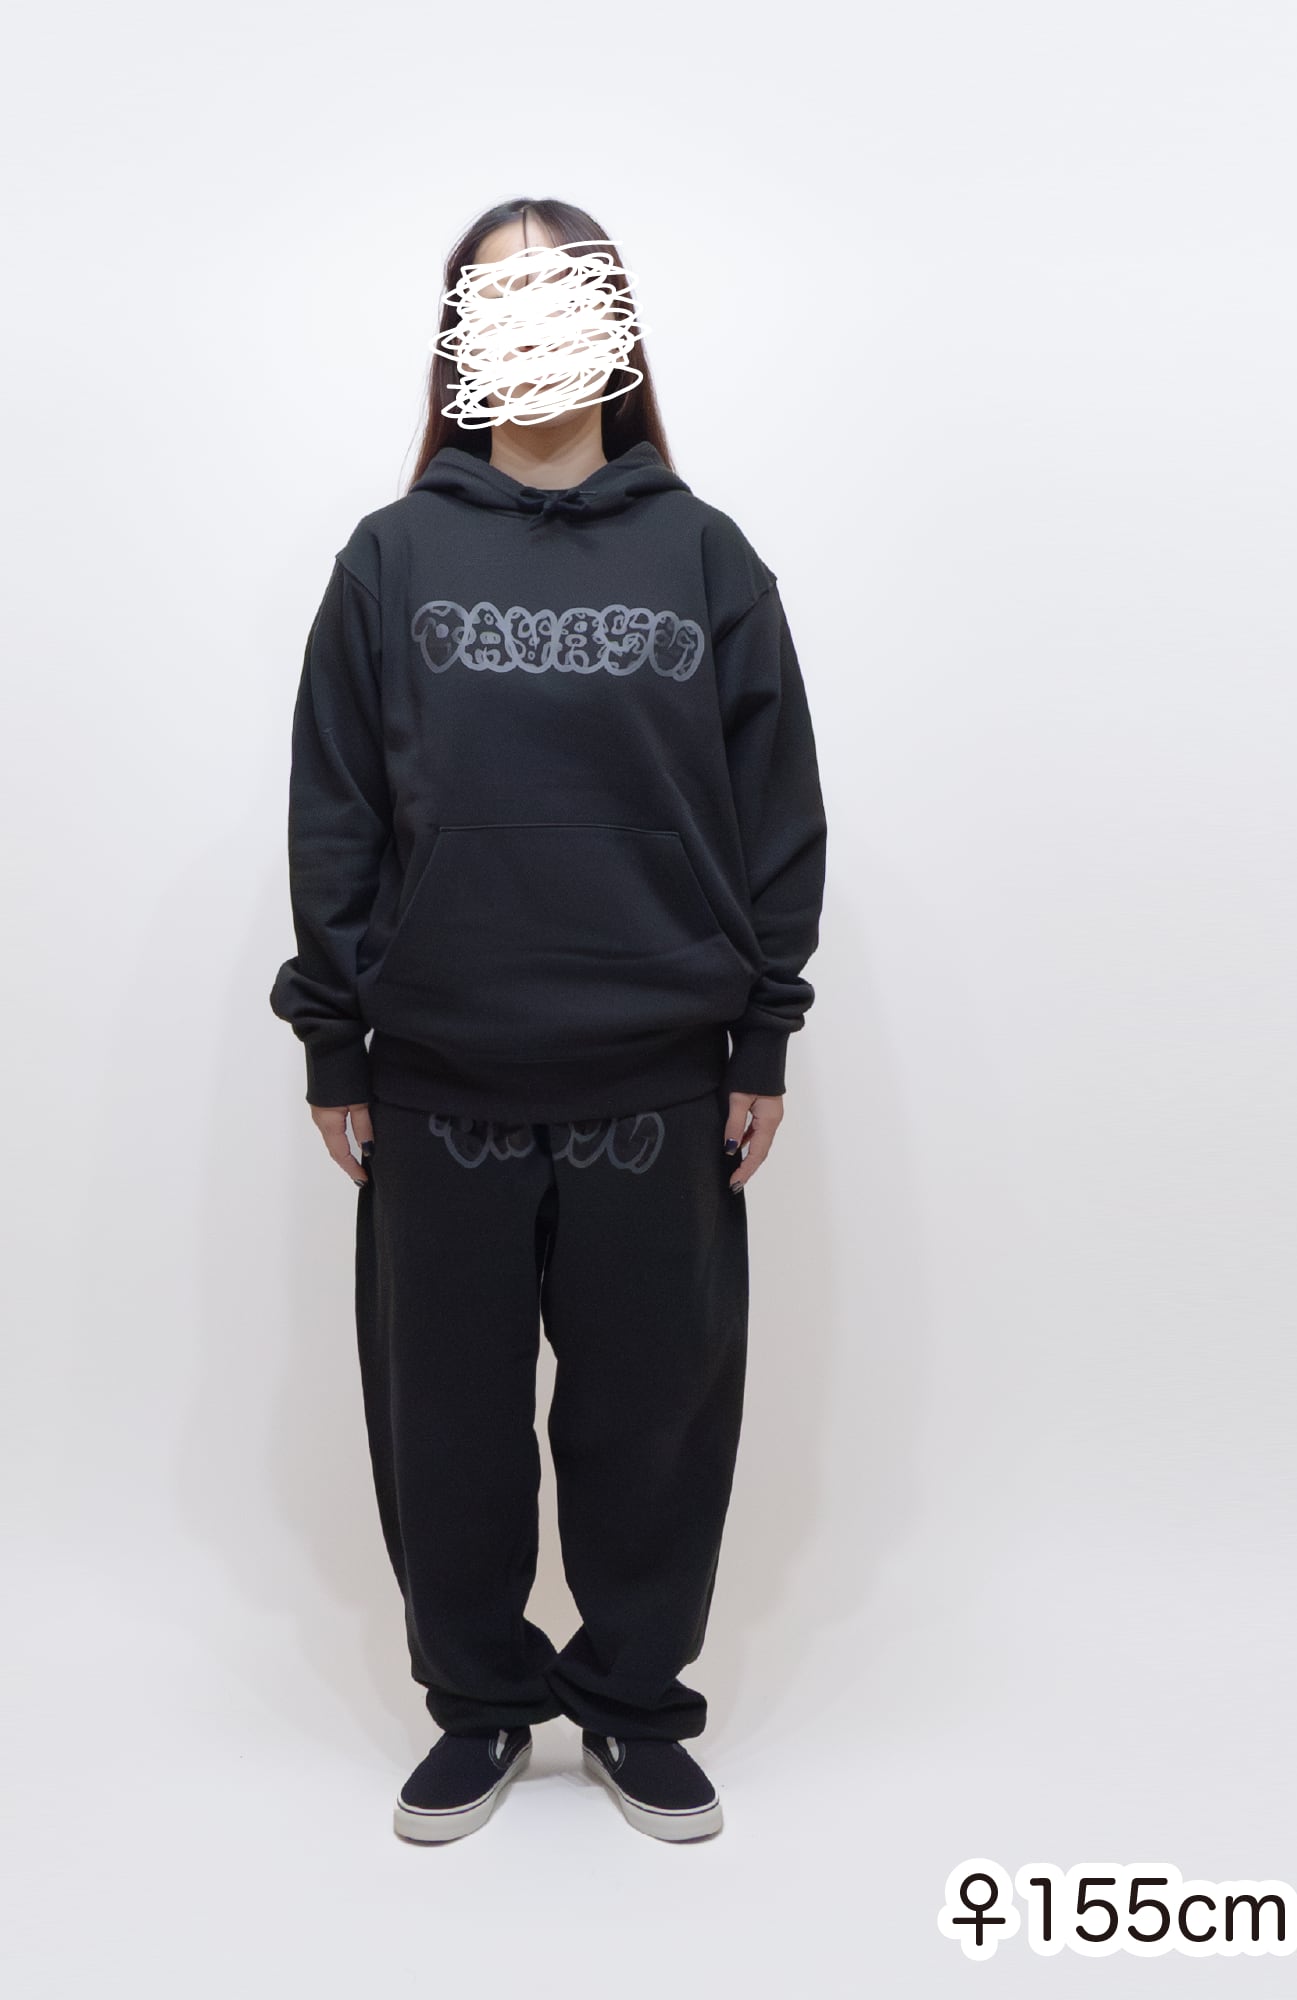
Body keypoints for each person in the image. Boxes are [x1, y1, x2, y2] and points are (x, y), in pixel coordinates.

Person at [268, 198, 827, 1843]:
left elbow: (776, 806)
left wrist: (762, 1031)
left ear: (616, 328)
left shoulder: (705, 556)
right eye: (494, 301)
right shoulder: (391, 561)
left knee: (653, 1424)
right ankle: (484, 1704)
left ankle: (636, 1704)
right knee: (446, 1425)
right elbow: (336, 807)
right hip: (442, 1077)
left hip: (658, 1076)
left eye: (558, 297)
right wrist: (335, 1034)